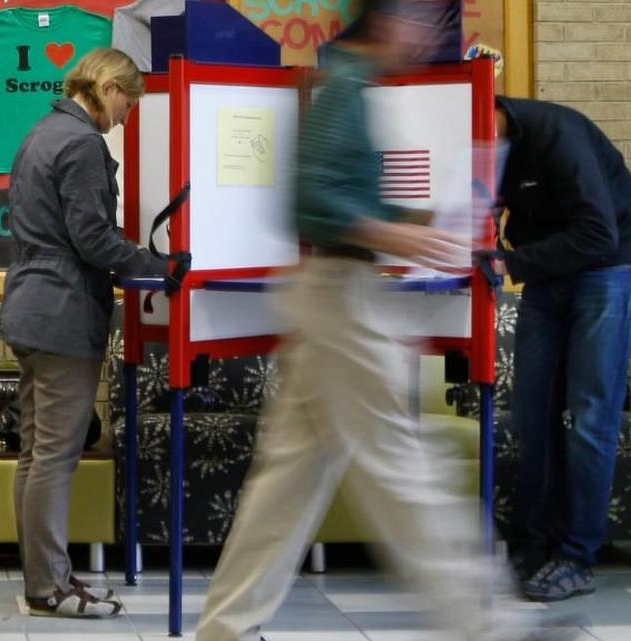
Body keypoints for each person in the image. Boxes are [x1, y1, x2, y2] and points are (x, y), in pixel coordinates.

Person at [195, 3, 576, 641]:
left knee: (284, 487)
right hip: (344, 302)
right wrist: (395, 234)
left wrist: (416, 219)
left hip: (327, 300)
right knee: (403, 470)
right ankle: (488, 624)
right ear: (386, 21)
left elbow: (340, 195)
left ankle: (225, 630)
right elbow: (308, 201)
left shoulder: (352, 85)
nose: (428, 34)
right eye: (420, 19)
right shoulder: (346, 87)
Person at [0, 47, 169, 618]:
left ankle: (42, 579)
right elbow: (92, 239)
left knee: (34, 454)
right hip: (62, 316)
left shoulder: (42, 132)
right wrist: (160, 266)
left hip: (29, 309)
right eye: (128, 104)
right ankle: (48, 587)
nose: (126, 118)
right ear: (109, 87)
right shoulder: (80, 144)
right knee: (54, 456)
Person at [492, 96, 631, 602]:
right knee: (530, 410)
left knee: (589, 414)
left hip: (612, 264)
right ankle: (532, 545)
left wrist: (508, 265)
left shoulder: (558, 135)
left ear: (489, 110)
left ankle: (575, 557)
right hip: (552, 269)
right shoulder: (489, 148)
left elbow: (597, 232)